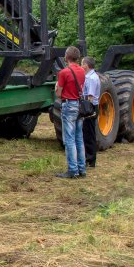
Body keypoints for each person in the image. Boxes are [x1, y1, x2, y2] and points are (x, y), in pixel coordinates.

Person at [54, 46, 86, 179]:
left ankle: (72, 170)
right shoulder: (82, 71)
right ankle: (82, 168)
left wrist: (56, 88)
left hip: (69, 105)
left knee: (69, 140)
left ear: (66, 57)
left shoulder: (64, 72)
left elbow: (59, 93)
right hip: (79, 105)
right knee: (79, 138)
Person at [81, 56, 101, 169]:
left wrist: (86, 110)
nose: (80, 66)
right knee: (87, 133)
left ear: (86, 66)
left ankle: (91, 160)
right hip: (90, 106)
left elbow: (90, 96)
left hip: (90, 107)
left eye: (81, 64)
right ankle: (88, 158)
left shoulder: (92, 78)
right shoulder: (90, 76)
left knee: (89, 134)